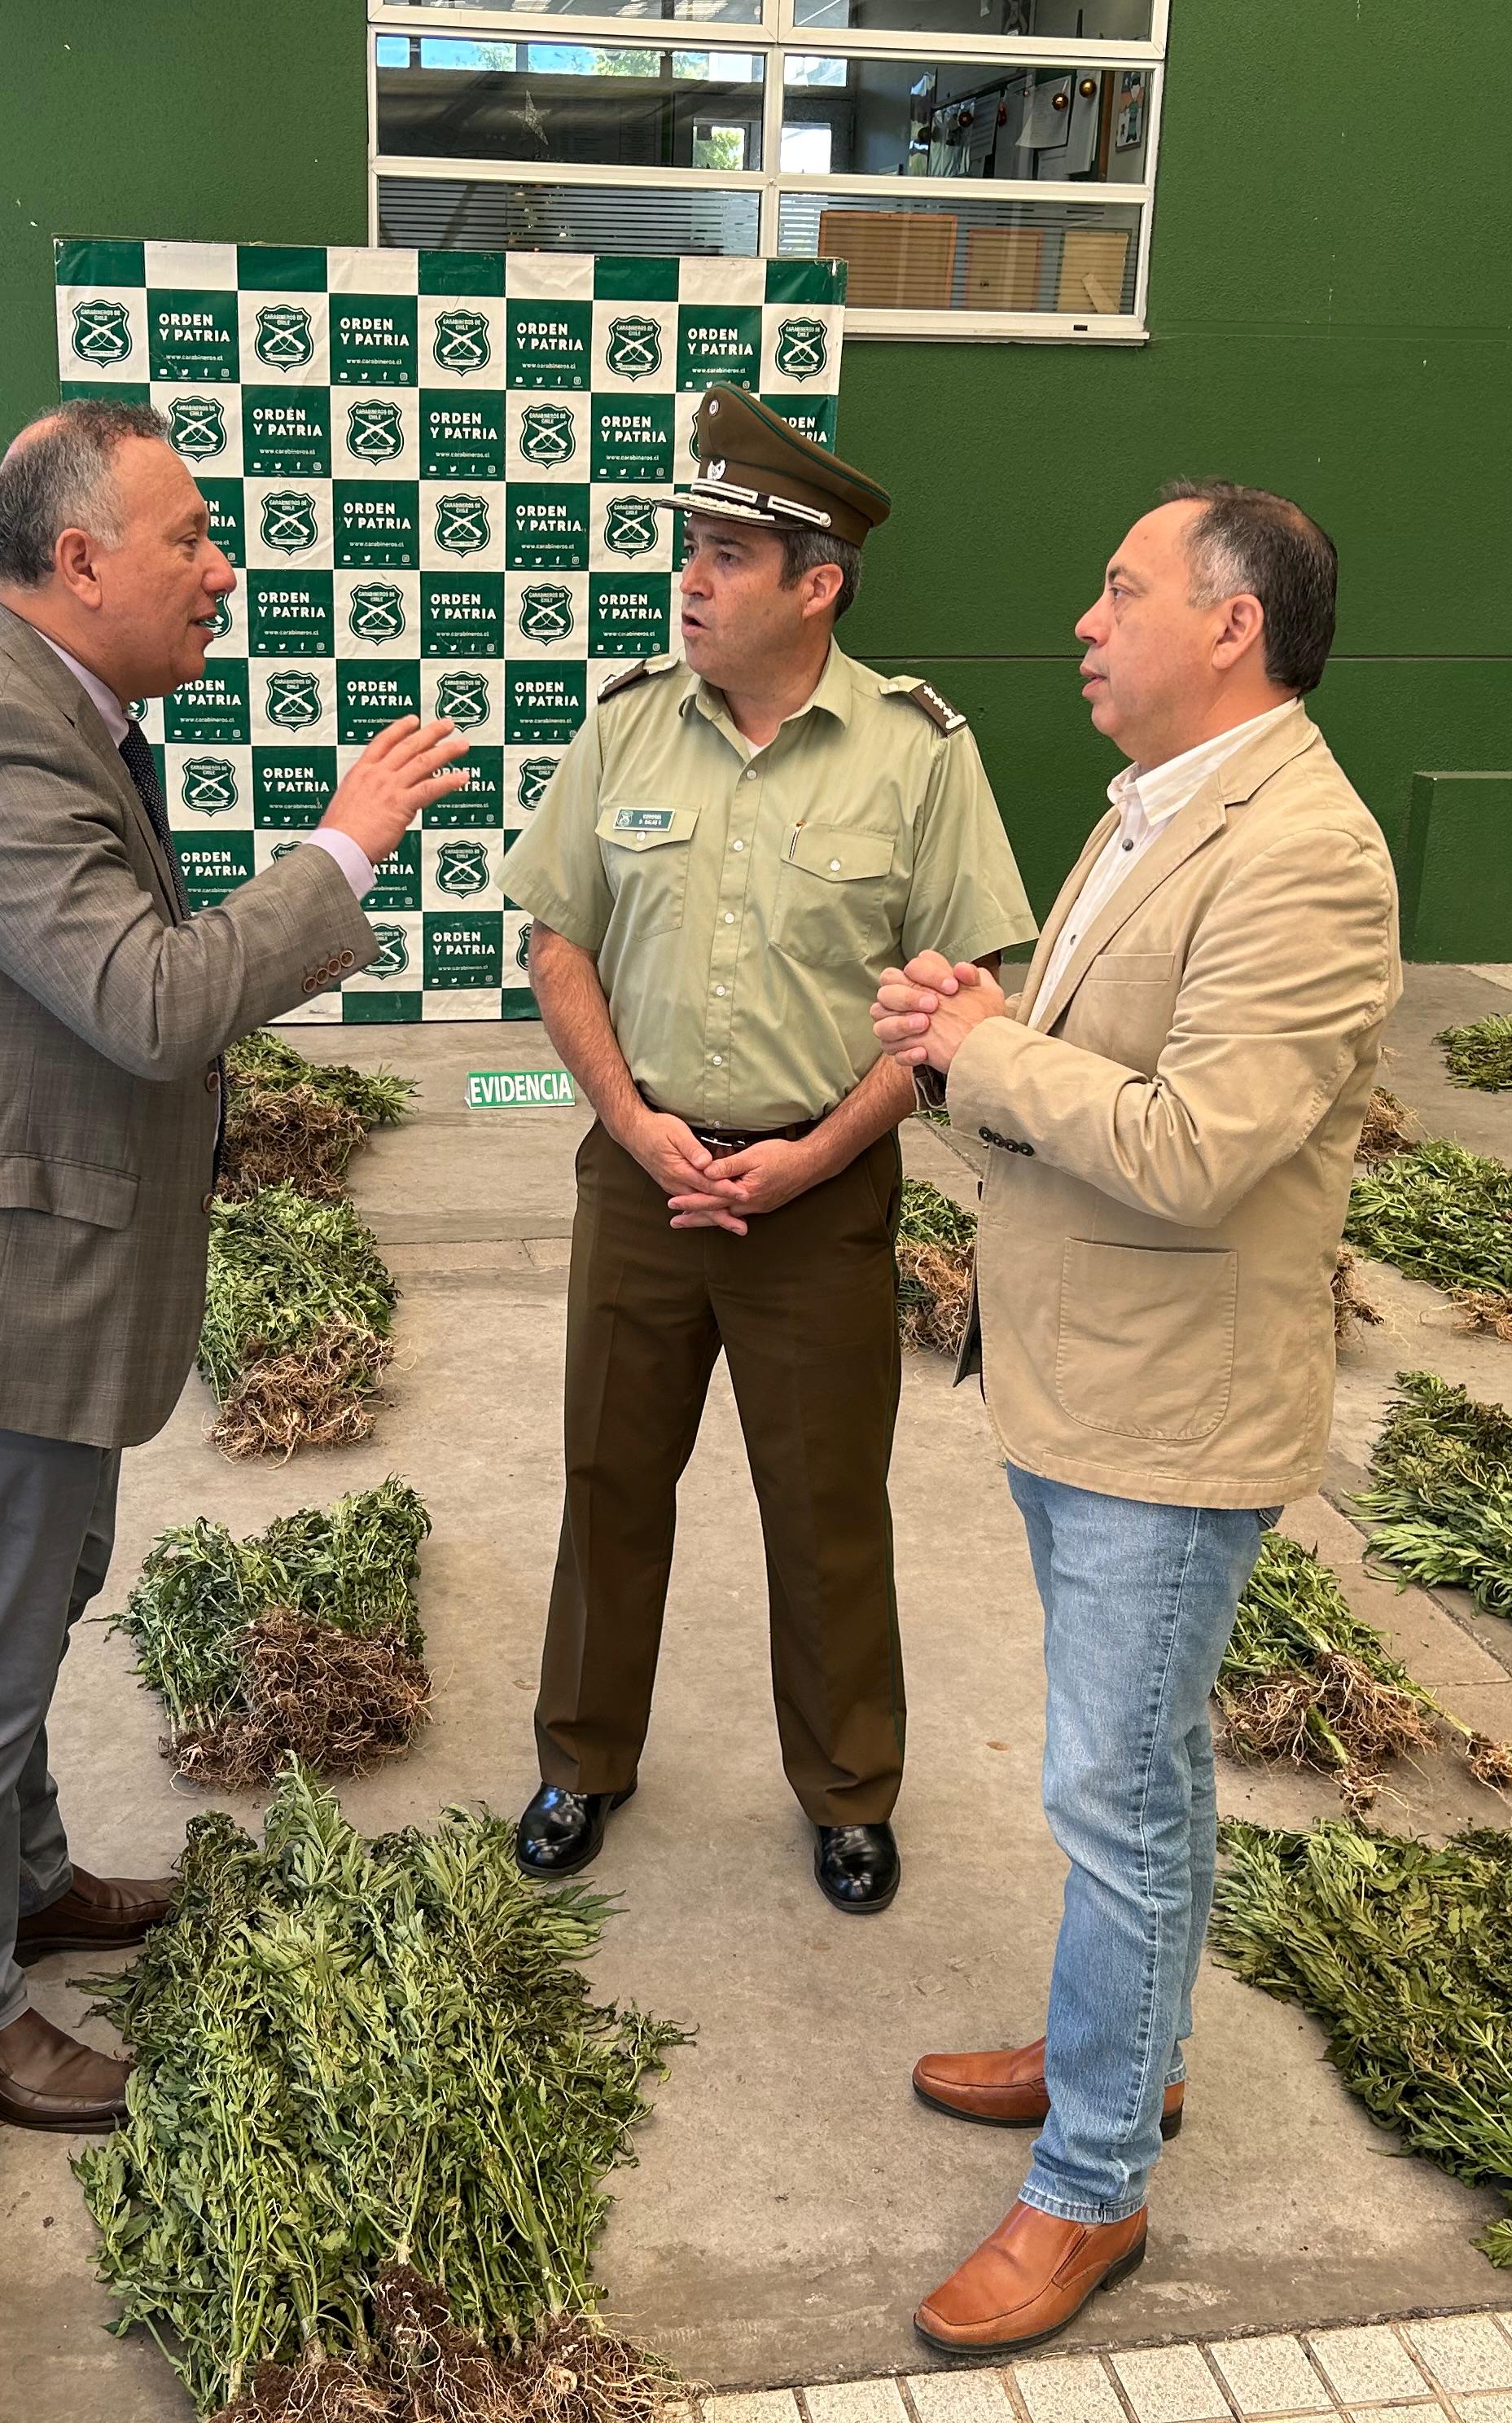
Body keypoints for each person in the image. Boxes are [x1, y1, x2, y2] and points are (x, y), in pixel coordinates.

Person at [0, 398, 469, 2129]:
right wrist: (342, 853)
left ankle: (25, 1889)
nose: (220, 570)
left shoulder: (44, 710)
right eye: (188, 539)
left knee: (15, 1622)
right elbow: (149, 1003)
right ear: (81, 560)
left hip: (15, 1293)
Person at [870, 481, 1400, 2351]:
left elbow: (1196, 1151)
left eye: (1120, 590)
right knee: (1140, 1773)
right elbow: (1108, 1072)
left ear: (1233, 624)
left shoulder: (1305, 854)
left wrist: (980, 1050)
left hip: (1171, 1416)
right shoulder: (1150, 811)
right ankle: (1128, 2050)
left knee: (1116, 1790)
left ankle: (1092, 2186)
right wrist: (989, 1022)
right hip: (1086, 1381)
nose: (1085, 621)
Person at [497, 385, 1036, 1915]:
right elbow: (558, 945)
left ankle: (850, 1790)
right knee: (609, 1478)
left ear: (820, 584)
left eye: (730, 553)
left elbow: (957, 1004)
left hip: (820, 1197)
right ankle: (582, 1759)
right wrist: (631, 1123)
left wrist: (814, 1156)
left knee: (825, 1504)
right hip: (641, 1178)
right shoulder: (620, 731)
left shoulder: (916, 754)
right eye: (690, 547)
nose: (692, 579)